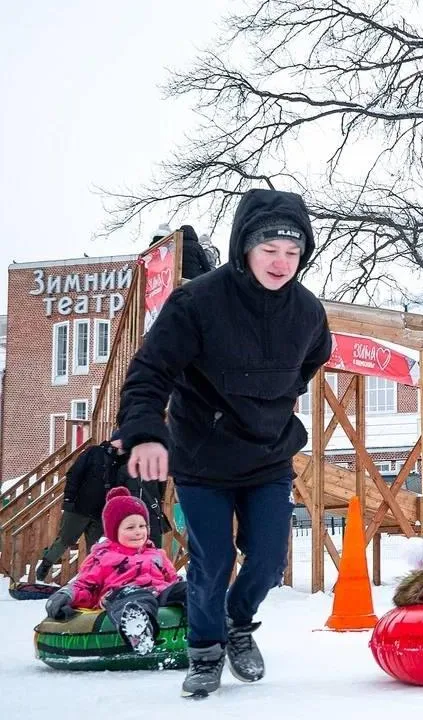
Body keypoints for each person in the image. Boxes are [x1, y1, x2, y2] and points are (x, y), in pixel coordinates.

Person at [116, 188, 332, 698]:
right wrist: (146, 430)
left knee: (266, 559)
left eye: (292, 252)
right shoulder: (197, 303)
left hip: (268, 455)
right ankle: (206, 650)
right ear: (245, 247)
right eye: (269, 250)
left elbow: (312, 359)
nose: (281, 263)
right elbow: (150, 372)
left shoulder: (306, 312)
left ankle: (238, 624)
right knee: (211, 560)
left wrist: (282, 396)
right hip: (203, 459)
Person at [44, 487, 186, 655]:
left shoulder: (157, 554)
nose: (138, 532)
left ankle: (211, 622)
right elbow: (85, 584)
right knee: (136, 597)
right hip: (120, 594)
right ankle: (138, 630)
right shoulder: (103, 557)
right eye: (130, 527)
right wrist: (67, 595)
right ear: (114, 531)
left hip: (158, 592)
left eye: (142, 526)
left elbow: (172, 580)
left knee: (189, 589)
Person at [35, 437, 127, 582]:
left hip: (101, 513)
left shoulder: (124, 463)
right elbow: (74, 474)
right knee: (65, 539)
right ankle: (45, 566)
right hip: (79, 507)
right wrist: (69, 500)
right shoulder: (93, 452)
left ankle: (91, 580)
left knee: (96, 549)